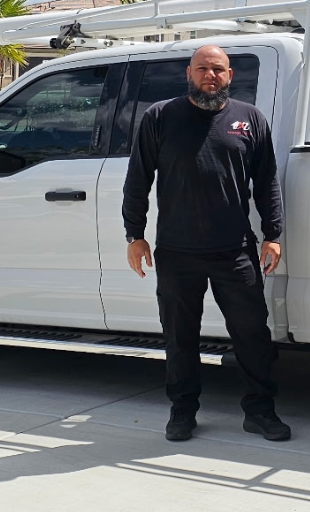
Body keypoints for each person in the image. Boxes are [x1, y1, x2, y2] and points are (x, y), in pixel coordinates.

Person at [122, 45, 289, 442]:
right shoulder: (160, 117)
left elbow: (266, 181)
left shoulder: (250, 120)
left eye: (217, 69)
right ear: (188, 73)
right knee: (180, 337)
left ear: (230, 75)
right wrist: (134, 234)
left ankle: (260, 411)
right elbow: (138, 179)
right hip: (177, 252)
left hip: (235, 251)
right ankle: (182, 412)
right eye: (202, 69)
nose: (209, 75)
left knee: (252, 335)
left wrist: (274, 234)